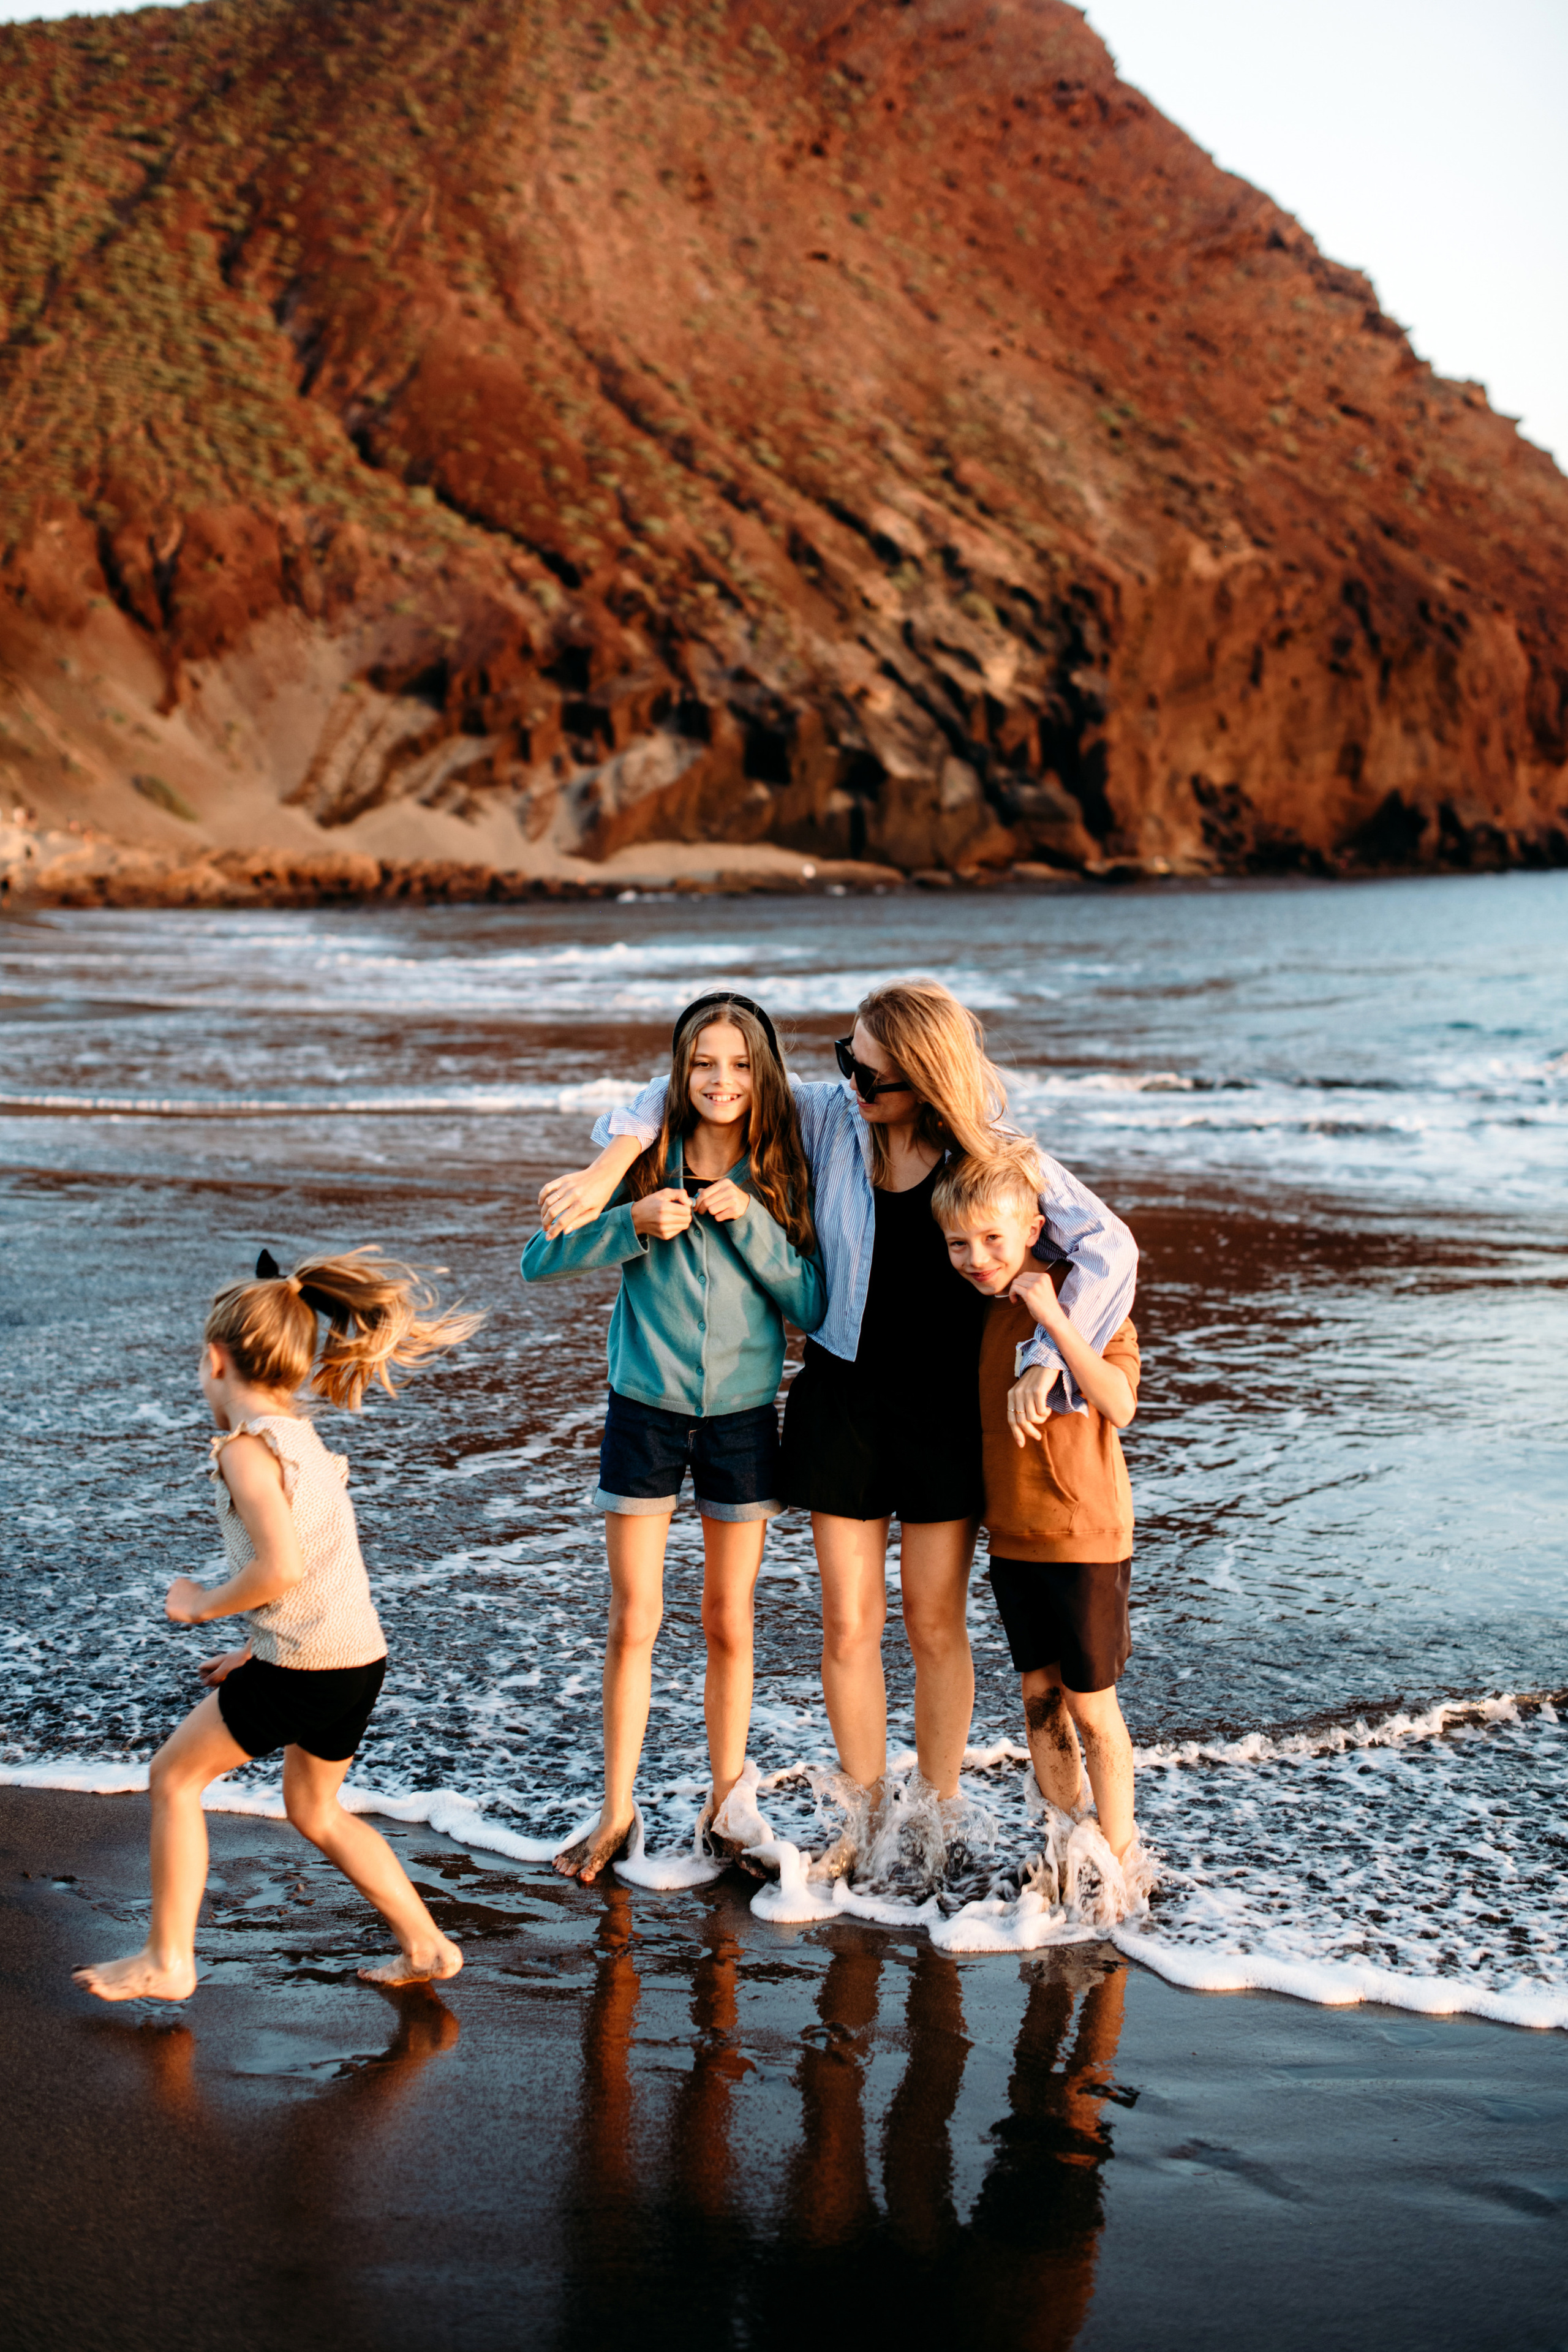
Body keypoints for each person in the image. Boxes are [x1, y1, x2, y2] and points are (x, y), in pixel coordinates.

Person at [538, 979, 1136, 1873]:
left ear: (925, 1077)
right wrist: (604, 1172)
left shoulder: (989, 1153)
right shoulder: (826, 1119)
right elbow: (698, 1079)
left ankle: (930, 1823)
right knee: (849, 1628)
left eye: (873, 1074)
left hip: (944, 1415)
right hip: (843, 1403)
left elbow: (1107, 1247)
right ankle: (862, 1825)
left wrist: (1047, 1359)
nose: (852, 1083)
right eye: (847, 1061)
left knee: (934, 1625)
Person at [74, 1248, 481, 2003]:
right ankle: (426, 1944)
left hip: (307, 1669)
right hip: (354, 1660)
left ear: (215, 1359)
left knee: (173, 1778)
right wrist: (252, 1649)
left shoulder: (247, 1451)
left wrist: (201, 1604)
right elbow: (321, 1569)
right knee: (315, 1809)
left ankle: (168, 1958)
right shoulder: (301, 1440)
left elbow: (282, 1569)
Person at [521, 993, 825, 1887]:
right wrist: (632, 1224)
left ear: (762, 1074)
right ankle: (617, 1809)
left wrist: (752, 1223)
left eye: (739, 1065)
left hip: (742, 1420)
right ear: (679, 1072)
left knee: (729, 1619)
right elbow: (540, 1258)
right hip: (643, 1413)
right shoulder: (645, 1158)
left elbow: (811, 1302)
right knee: (635, 1618)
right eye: (703, 1064)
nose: (721, 1081)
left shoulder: (782, 1170)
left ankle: (727, 1807)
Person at [933, 1140, 1142, 1871]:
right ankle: (1066, 1846)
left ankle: (1119, 1862)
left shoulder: (1089, 1300)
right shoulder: (981, 1313)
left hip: (1084, 1533)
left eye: (993, 1239)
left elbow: (1119, 1404)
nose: (976, 1257)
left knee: (1091, 1702)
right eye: (958, 1244)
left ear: (1034, 1228)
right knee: (1039, 1698)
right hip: (1012, 1536)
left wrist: (1054, 1323)